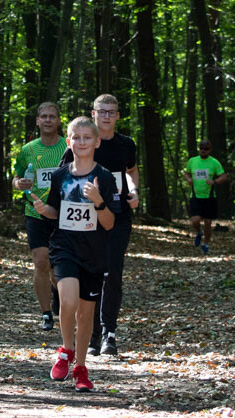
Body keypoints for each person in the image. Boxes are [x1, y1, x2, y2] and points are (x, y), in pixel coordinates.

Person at [30, 116, 117, 392]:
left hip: (93, 252)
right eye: (76, 138)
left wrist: (98, 202)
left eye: (87, 138)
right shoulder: (60, 175)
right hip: (64, 247)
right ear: (68, 141)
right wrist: (46, 211)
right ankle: (66, 350)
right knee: (67, 302)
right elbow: (56, 212)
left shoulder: (103, 177)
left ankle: (80, 366)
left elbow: (109, 223)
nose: (81, 142)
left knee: (86, 315)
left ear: (97, 141)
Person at [59, 94, 139, 357]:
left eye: (111, 112)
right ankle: (90, 334)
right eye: (101, 111)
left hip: (117, 214)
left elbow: (131, 172)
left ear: (117, 115)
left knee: (112, 272)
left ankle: (109, 333)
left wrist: (135, 191)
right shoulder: (81, 141)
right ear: (93, 113)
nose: (106, 116)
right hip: (84, 218)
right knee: (89, 273)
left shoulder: (126, 144)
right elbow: (64, 175)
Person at [12, 102, 67, 331]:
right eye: (43, 116)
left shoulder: (68, 147)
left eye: (52, 116)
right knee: (41, 261)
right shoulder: (28, 150)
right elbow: (16, 180)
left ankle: (59, 294)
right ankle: (46, 314)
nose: (47, 120)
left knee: (58, 266)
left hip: (63, 213)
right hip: (35, 211)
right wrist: (19, 183)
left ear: (58, 121)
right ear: (37, 121)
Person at [183, 140, 228, 255]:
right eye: (201, 148)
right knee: (195, 220)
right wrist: (188, 179)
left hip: (209, 197)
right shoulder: (192, 161)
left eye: (206, 148)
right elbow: (186, 172)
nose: (203, 150)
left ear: (210, 150)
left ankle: (206, 244)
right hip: (195, 196)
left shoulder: (214, 162)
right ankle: (199, 232)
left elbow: (223, 176)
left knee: (208, 222)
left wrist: (214, 181)